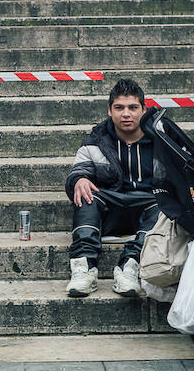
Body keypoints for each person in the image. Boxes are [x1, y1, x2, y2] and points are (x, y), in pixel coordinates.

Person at [64, 78, 159, 298]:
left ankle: (129, 268)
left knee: (164, 204)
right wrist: (79, 180)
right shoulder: (95, 140)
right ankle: (84, 269)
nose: (126, 114)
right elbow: (78, 172)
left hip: (148, 207)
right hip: (110, 209)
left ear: (144, 110)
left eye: (133, 108)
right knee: (86, 194)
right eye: (119, 108)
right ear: (110, 110)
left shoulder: (161, 140)